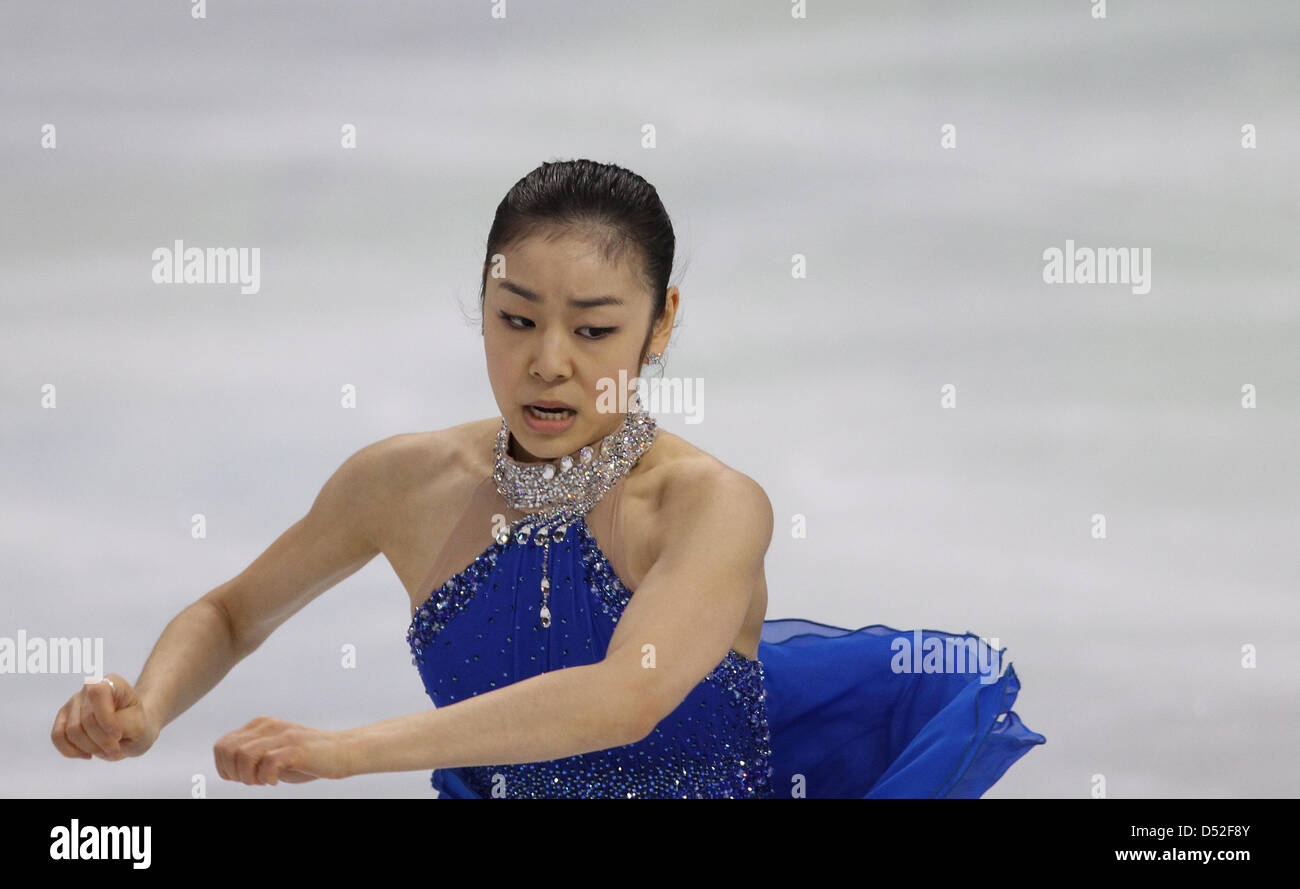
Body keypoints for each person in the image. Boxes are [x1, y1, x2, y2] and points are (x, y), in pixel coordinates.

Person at [50, 158, 1045, 797]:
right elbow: (232, 614)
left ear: (660, 326)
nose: (549, 360)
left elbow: (624, 697)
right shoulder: (403, 481)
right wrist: (145, 704)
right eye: (516, 318)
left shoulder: (703, 505)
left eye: (596, 328)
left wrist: (349, 749)